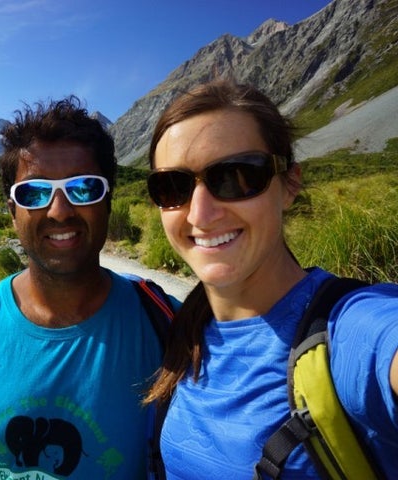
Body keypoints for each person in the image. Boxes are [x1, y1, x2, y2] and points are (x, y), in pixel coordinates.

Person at [0, 96, 174, 479]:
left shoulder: (167, 323)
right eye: (34, 193)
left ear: (108, 200)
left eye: (83, 188)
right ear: (12, 212)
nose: (59, 210)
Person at [143, 78, 398, 478]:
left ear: (289, 183)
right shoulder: (183, 331)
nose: (200, 214)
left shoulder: (348, 329)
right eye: (172, 187)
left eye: (237, 176)